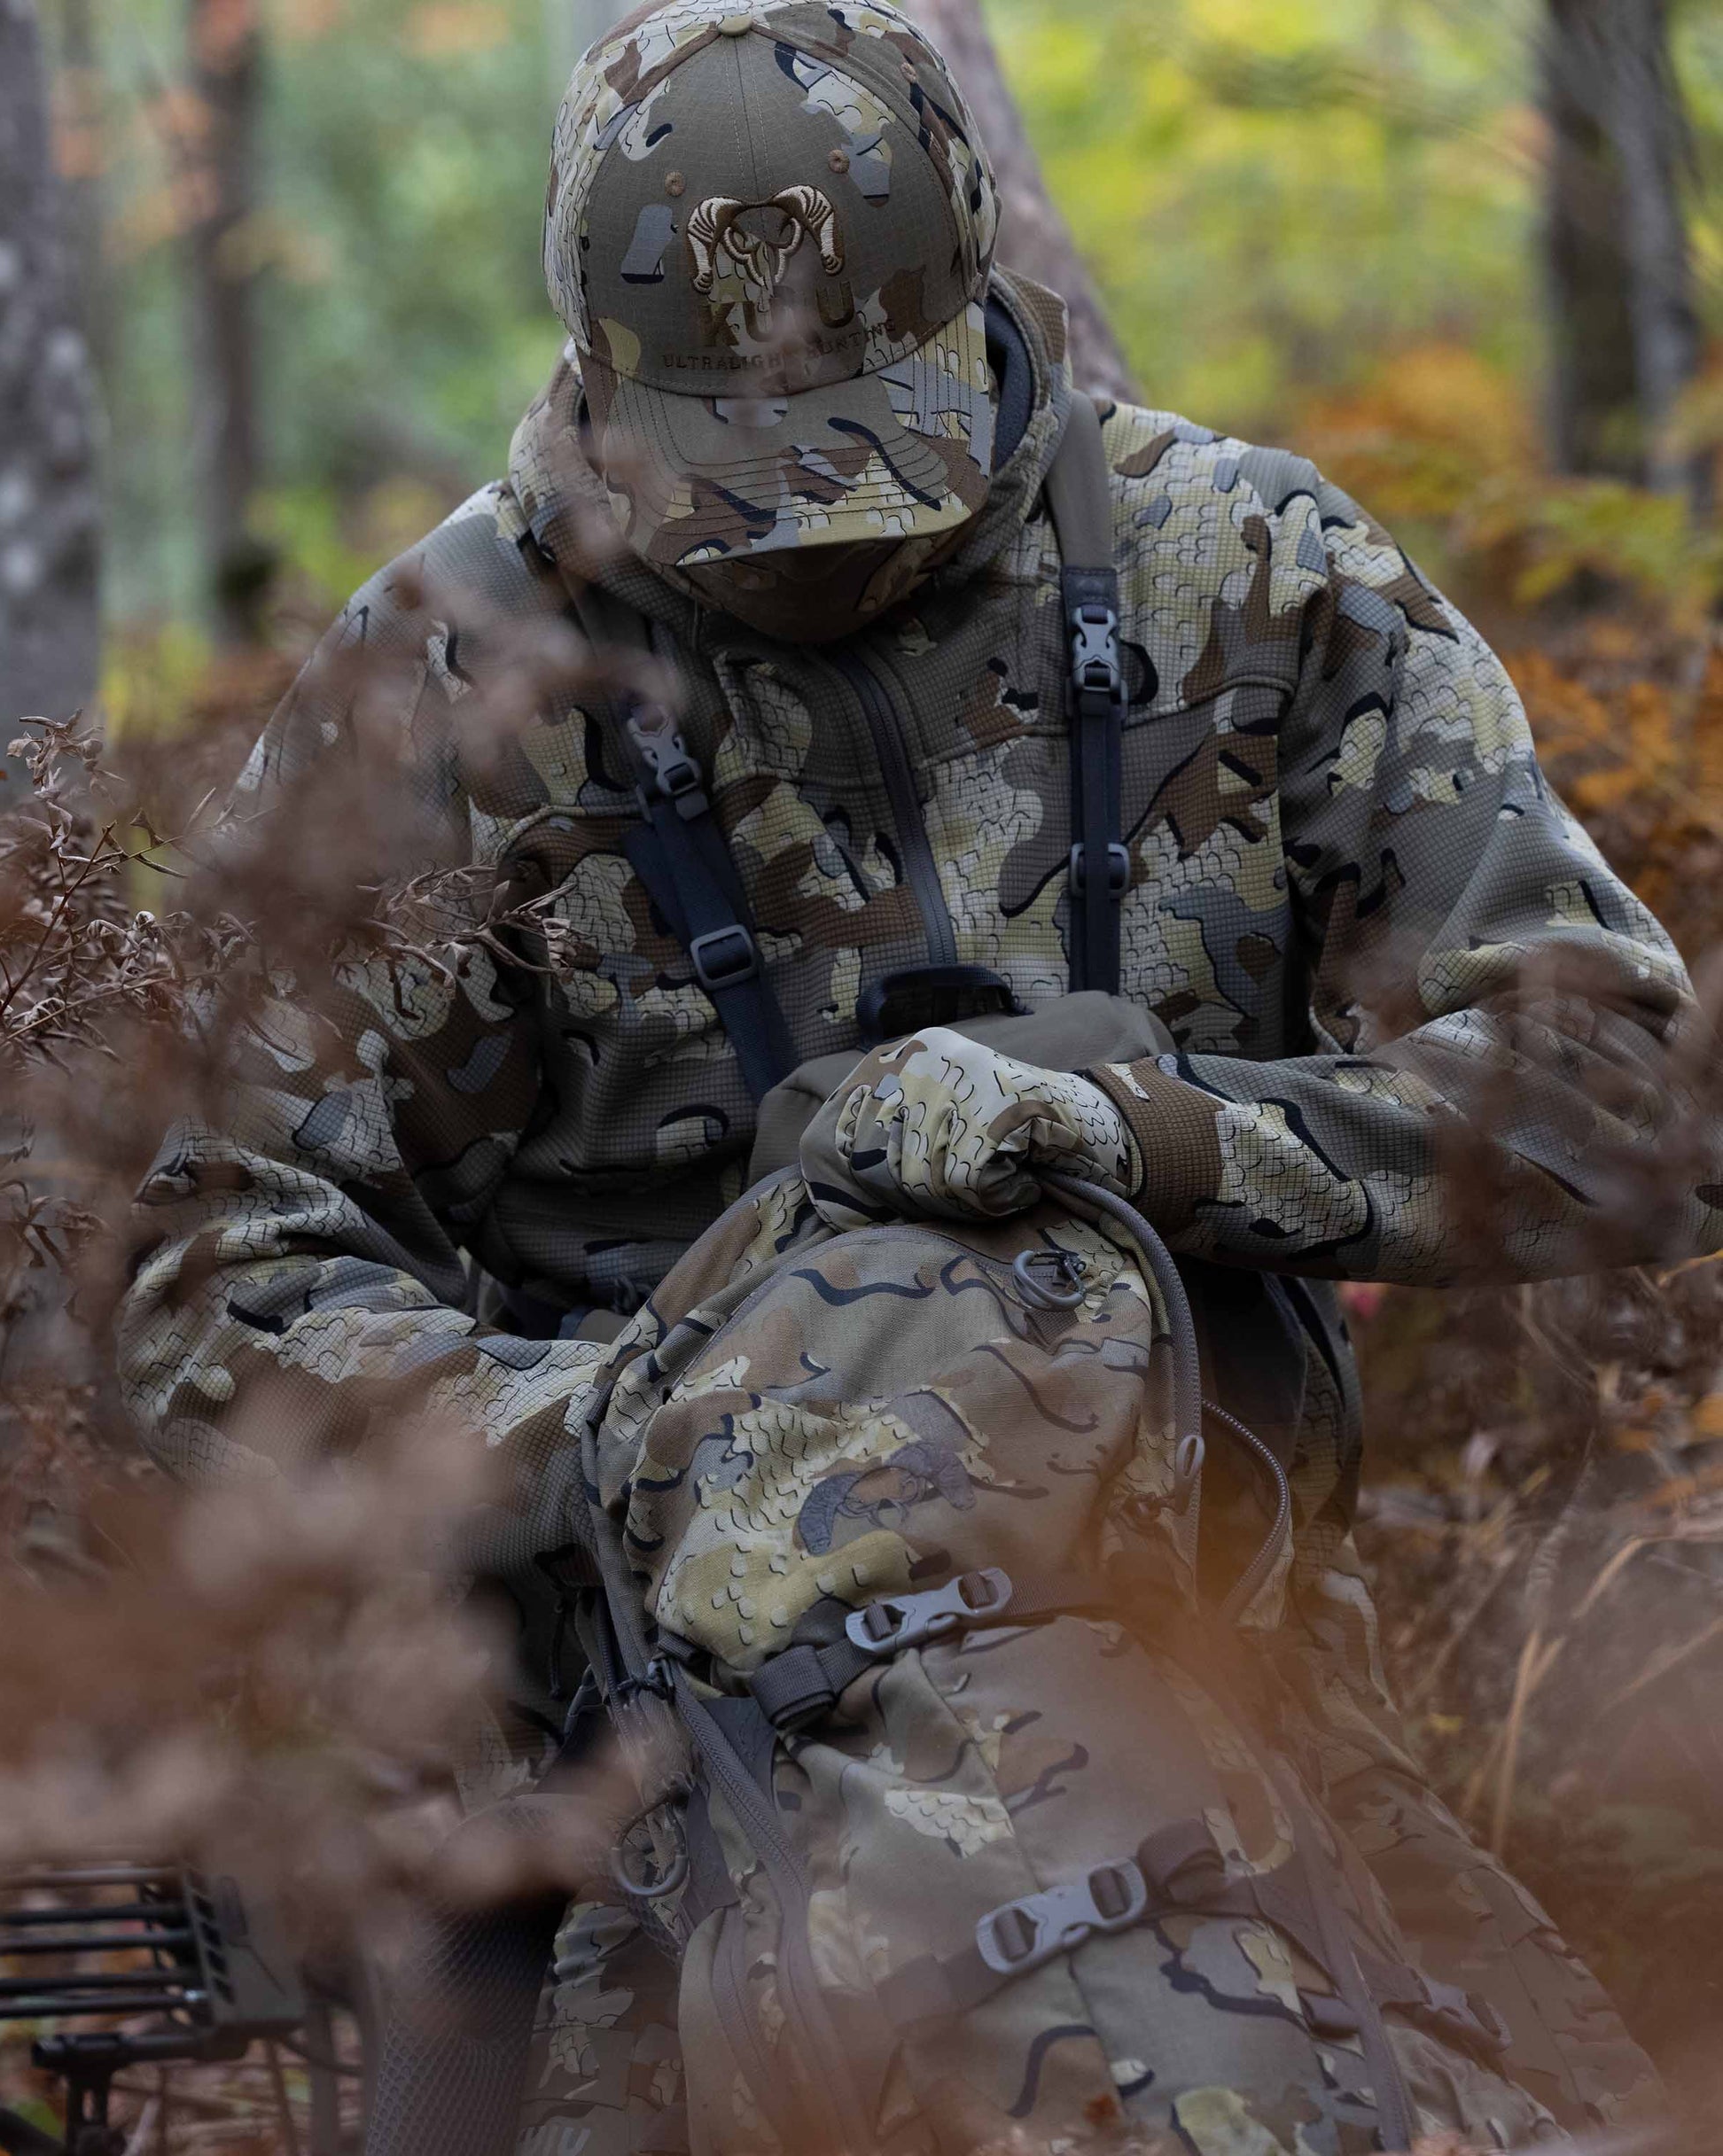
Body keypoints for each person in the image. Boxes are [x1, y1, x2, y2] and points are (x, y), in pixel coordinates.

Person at [120, 0, 1717, 2147]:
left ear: (981, 305)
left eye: (862, 462)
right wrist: (621, 1442)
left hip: (1201, 1652)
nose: (808, 549)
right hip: (641, 1727)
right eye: (727, 486)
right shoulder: (447, 686)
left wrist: (1164, 1138)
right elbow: (182, 1238)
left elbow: (1622, 1105)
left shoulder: (1249, 580)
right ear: (595, 377)